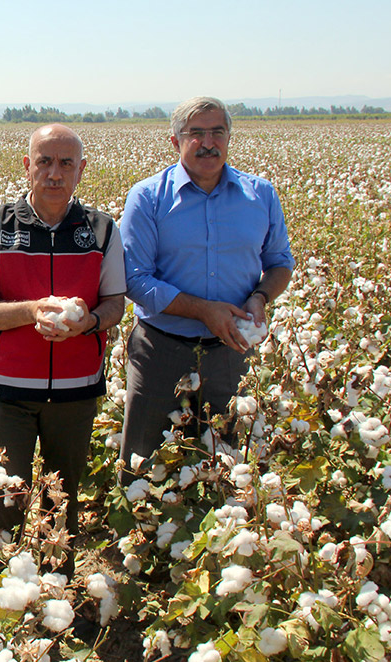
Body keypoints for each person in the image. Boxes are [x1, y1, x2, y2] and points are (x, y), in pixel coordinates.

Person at [0, 124, 126, 577]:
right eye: (45, 161)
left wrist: (87, 322)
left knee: (62, 499)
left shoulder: (101, 230)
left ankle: (56, 595)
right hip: (6, 393)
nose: (55, 173)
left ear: (81, 170)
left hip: (75, 394)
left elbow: (115, 303)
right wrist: (34, 310)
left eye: (66, 163)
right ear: (27, 165)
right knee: (4, 498)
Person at [119, 96, 294, 476]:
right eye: (196, 133)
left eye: (218, 132)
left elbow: (280, 262)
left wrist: (260, 297)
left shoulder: (260, 194)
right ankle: (142, 528)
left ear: (230, 138)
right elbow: (133, 279)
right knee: (145, 462)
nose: (208, 142)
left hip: (230, 351)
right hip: (160, 351)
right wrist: (203, 310)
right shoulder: (148, 198)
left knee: (226, 459)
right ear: (175, 141)